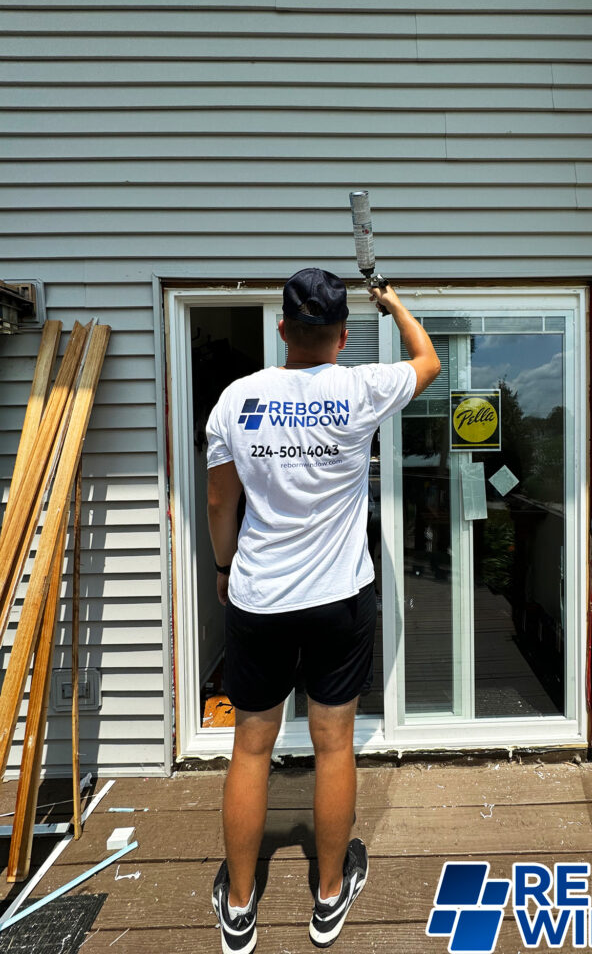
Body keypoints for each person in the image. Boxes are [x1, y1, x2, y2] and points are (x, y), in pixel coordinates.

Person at [206, 267, 440, 953]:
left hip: (260, 598)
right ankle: (329, 896)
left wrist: (223, 568)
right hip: (339, 599)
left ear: (282, 328)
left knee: (252, 746)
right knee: (334, 743)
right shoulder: (360, 387)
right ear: (341, 337)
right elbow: (426, 359)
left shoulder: (237, 399)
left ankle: (240, 906)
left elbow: (221, 504)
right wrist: (395, 305)